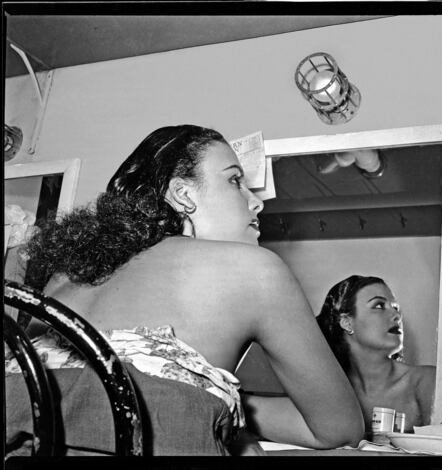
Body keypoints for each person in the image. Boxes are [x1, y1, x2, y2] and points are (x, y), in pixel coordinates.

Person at [16, 125, 364, 453]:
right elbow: (338, 429)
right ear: (183, 194)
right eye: (234, 181)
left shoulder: (64, 275)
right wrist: (236, 410)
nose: (256, 202)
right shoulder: (255, 269)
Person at [316, 275, 436, 435]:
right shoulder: (328, 391)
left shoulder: (425, 381)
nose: (396, 316)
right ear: (347, 322)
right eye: (379, 306)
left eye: (395, 308)